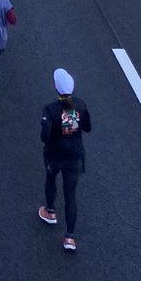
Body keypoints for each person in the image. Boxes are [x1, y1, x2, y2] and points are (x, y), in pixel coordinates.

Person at [39, 68, 92, 252]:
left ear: (56, 87)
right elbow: (87, 127)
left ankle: (50, 211)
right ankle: (69, 237)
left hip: (55, 155)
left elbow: (45, 136)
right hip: (74, 157)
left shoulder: (50, 109)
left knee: (51, 179)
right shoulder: (80, 105)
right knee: (71, 195)